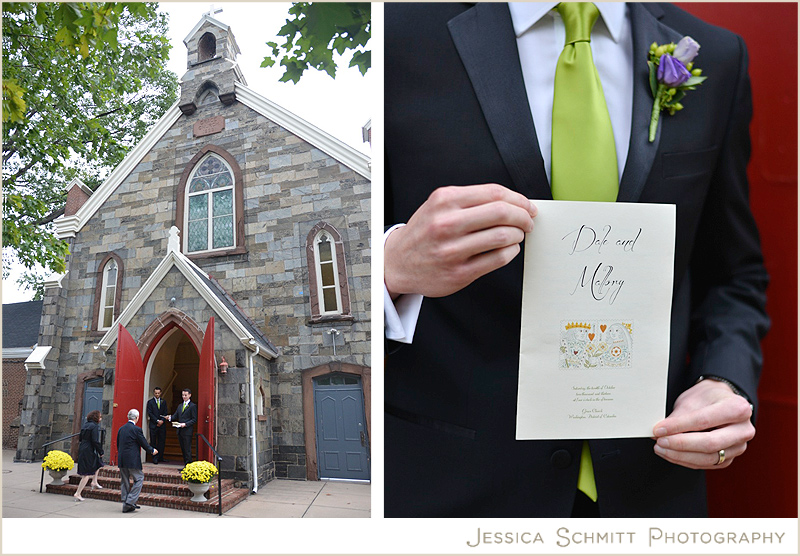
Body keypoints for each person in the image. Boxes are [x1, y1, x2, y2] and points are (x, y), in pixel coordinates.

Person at [384, 3, 769, 517]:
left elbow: (733, 273)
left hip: (649, 487)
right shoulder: (397, 28)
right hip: (449, 484)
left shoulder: (714, 53)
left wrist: (724, 379)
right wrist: (392, 267)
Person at [117, 408, 157, 513]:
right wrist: (152, 450)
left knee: (124, 481)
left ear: (128, 417)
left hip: (122, 459)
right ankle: (130, 501)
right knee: (139, 478)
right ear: (137, 418)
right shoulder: (136, 430)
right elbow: (143, 442)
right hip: (132, 459)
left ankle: (126, 502)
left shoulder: (121, 429)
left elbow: (118, 444)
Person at [73, 410, 104, 501]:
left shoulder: (85, 425)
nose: (101, 418)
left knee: (98, 463)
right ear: (96, 418)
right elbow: (95, 440)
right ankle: (78, 493)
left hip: (83, 447)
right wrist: (100, 451)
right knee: (86, 474)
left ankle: (94, 481)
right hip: (89, 449)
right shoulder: (94, 426)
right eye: (100, 417)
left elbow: (81, 438)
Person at [169, 388, 197, 465]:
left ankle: (188, 465)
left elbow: (194, 419)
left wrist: (185, 424)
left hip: (187, 431)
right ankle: (185, 463)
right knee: (183, 449)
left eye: (185, 395)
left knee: (187, 449)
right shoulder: (180, 406)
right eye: (183, 395)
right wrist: (169, 418)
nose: (184, 396)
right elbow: (175, 415)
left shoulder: (193, 406)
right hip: (180, 430)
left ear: (190, 395)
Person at [146, 386, 169, 464]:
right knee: (153, 442)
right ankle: (154, 458)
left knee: (161, 441)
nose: (157, 395)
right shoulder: (150, 402)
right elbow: (150, 413)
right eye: (156, 393)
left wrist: (162, 421)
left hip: (162, 425)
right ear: (154, 393)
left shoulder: (163, 402)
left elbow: (165, 412)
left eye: (158, 393)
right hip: (153, 425)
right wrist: (157, 421)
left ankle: (160, 457)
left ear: (161, 393)